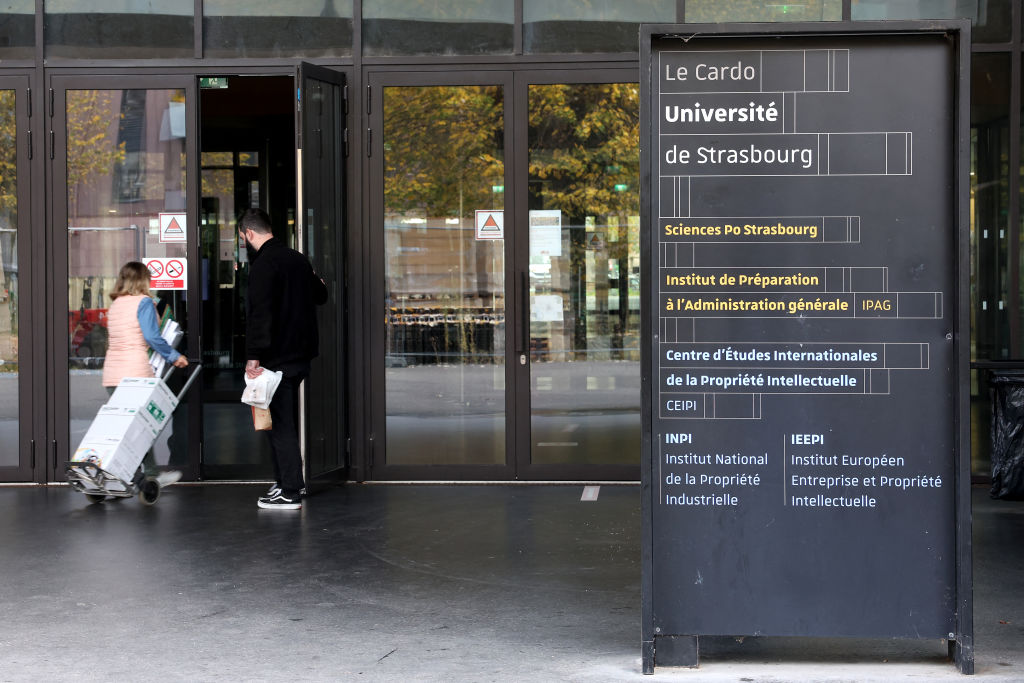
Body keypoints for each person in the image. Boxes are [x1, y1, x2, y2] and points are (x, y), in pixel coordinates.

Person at [239, 208, 328, 510]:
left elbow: (259, 315)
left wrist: (253, 356)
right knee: (281, 421)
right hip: (301, 355)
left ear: (249, 233)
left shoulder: (264, 264)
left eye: (243, 238)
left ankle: (290, 490)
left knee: (280, 425)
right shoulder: (297, 259)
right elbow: (321, 295)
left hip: (276, 359)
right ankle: (284, 484)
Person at [102, 261, 189, 487]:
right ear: (143, 280)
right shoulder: (144, 302)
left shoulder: (116, 304)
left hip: (112, 373)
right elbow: (151, 336)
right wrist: (174, 356)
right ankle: (151, 474)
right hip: (134, 373)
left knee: (124, 428)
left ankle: (113, 472)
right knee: (142, 426)